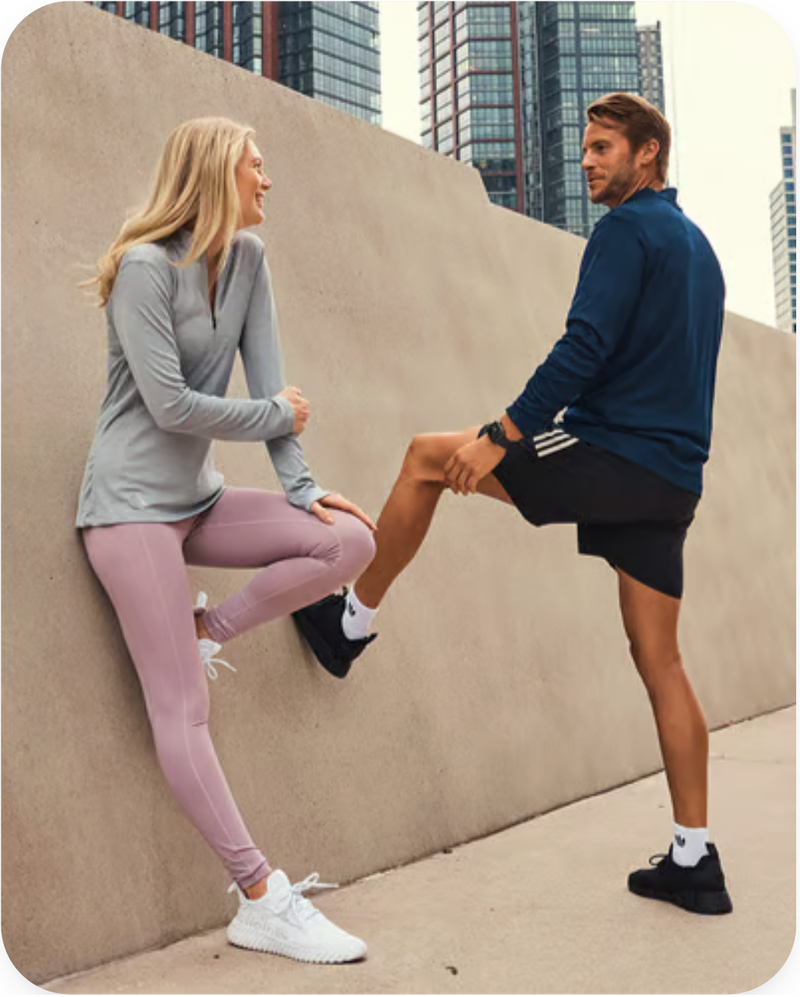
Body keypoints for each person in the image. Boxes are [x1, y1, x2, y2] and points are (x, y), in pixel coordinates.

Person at [293, 93, 733, 916]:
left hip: (615, 454)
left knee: (429, 455)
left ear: (649, 155)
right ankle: (696, 859)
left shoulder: (626, 231)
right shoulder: (700, 250)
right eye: (586, 148)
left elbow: (586, 346)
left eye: (605, 148)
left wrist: (503, 430)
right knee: (659, 658)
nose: (589, 161)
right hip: (673, 480)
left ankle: (348, 621)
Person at [77, 117, 377, 963]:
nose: (267, 181)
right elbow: (171, 405)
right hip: (130, 507)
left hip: (199, 499)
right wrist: (276, 415)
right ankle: (259, 897)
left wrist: (304, 488)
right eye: (257, 166)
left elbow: (274, 386)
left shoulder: (248, 262)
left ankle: (206, 632)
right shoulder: (142, 269)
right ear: (216, 173)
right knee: (182, 710)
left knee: (347, 542)